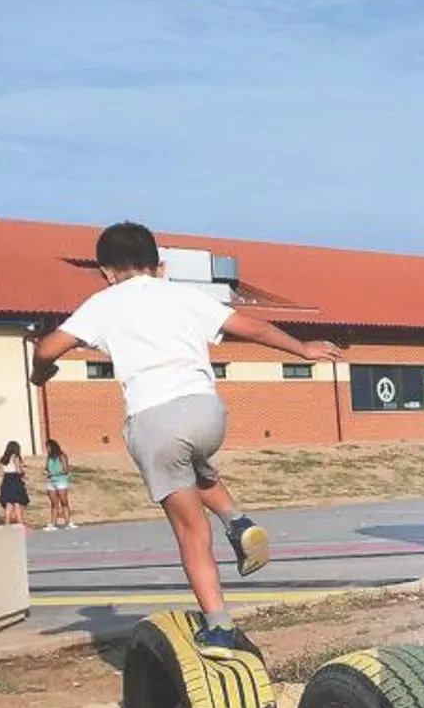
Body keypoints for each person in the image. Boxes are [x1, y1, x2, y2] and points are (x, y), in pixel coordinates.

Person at [30, 222, 342, 655]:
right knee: (193, 463)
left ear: (104, 271)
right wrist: (304, 350)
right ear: (159, 266)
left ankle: (218, 626)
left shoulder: (102, 303)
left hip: (154, 421)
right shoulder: (184, 295)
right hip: (206, 412)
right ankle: (238, 522)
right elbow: (251, 327)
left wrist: (39, 373)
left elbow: (47, 349)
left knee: (191, 532)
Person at [44, 438, 75, 530]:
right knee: (54, 503)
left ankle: (68, 522)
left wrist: (54, 473)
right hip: (51, 481)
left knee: (64, 501)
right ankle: (53, 523)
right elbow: (47, 467)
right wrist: (47, 472)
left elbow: (65, 469)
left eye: (48, 447)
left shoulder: (62, 455)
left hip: (60, 481)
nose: (47, 449)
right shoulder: (49, 457)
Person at [0, 441, 29, 526]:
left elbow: (0, 473)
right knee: (17, 503)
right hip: (15, 480)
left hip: (6, 481)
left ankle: (7, 525)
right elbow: (18, 470)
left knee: (8, 505)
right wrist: (23, 472)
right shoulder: (16, 457)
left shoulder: (3, 459)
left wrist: (8, 470)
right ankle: (20, 524)